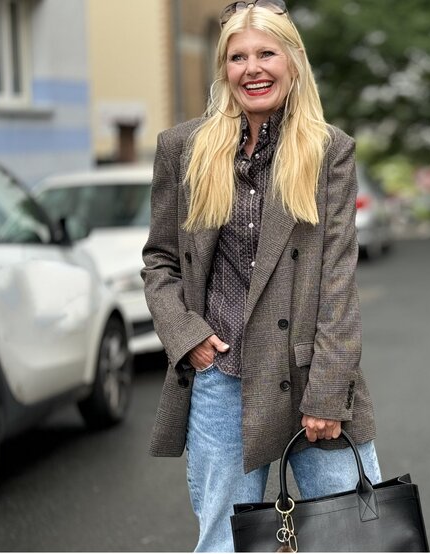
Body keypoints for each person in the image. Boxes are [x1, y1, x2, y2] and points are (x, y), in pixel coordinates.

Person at [141, 1, 381, 551]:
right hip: (222, 379)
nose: (253, 68)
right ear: (224, 70)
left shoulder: (327, 151)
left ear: (292, 62)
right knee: (224, 542)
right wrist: (188, 337)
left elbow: (338, 282)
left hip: (309, 379)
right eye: (238, 56)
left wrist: (327, 394)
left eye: (266, 53)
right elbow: (161, 261)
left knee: (346, 540)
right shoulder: (184, 149)